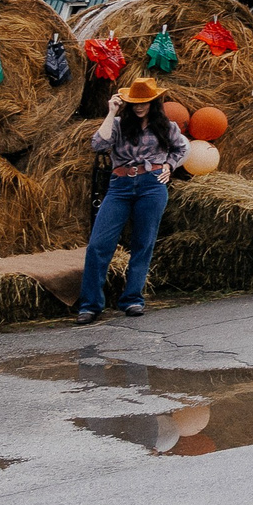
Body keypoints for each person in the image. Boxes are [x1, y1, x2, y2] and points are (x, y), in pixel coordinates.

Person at [81, 75, 188, 323]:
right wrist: (111, 112)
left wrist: (169, 167)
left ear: (154, 102)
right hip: (120, 186)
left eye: (145, 101)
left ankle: (132, 300)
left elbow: (181, 148)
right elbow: (97, 144)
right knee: (98, 245)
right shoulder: (118, 125)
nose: (139, 106)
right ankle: (90, 305)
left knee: (143, 243)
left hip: (152, 186)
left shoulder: (167, 126)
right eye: (135, 102)